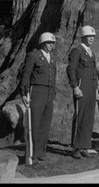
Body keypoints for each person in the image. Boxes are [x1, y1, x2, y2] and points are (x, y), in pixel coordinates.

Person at [66, 25, 99, 159]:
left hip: (91, 88)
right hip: (81, 87)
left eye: (93, 37)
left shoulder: (91, 53)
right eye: (89, 37)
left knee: (88, 118)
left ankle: (84, 146)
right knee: (80, 116)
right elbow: (71, 69)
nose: (91, 39)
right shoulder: (77, 51)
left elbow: (94, 72)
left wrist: (96, 90)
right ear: (83, 37)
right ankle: (76, 147)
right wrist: (75, 87)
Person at [20, 32, 58, 164]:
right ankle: (31, 154)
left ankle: (41, 152)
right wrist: (24, 93)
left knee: (45, 124)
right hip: (36, 92)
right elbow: (26, 75)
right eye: (48, 43)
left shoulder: (52, 59)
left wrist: (53, 93)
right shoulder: (33, 55)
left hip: (49, 93)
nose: (51, 45)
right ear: (42, 43)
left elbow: (53, 77)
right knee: (34, 123)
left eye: (52, 43)